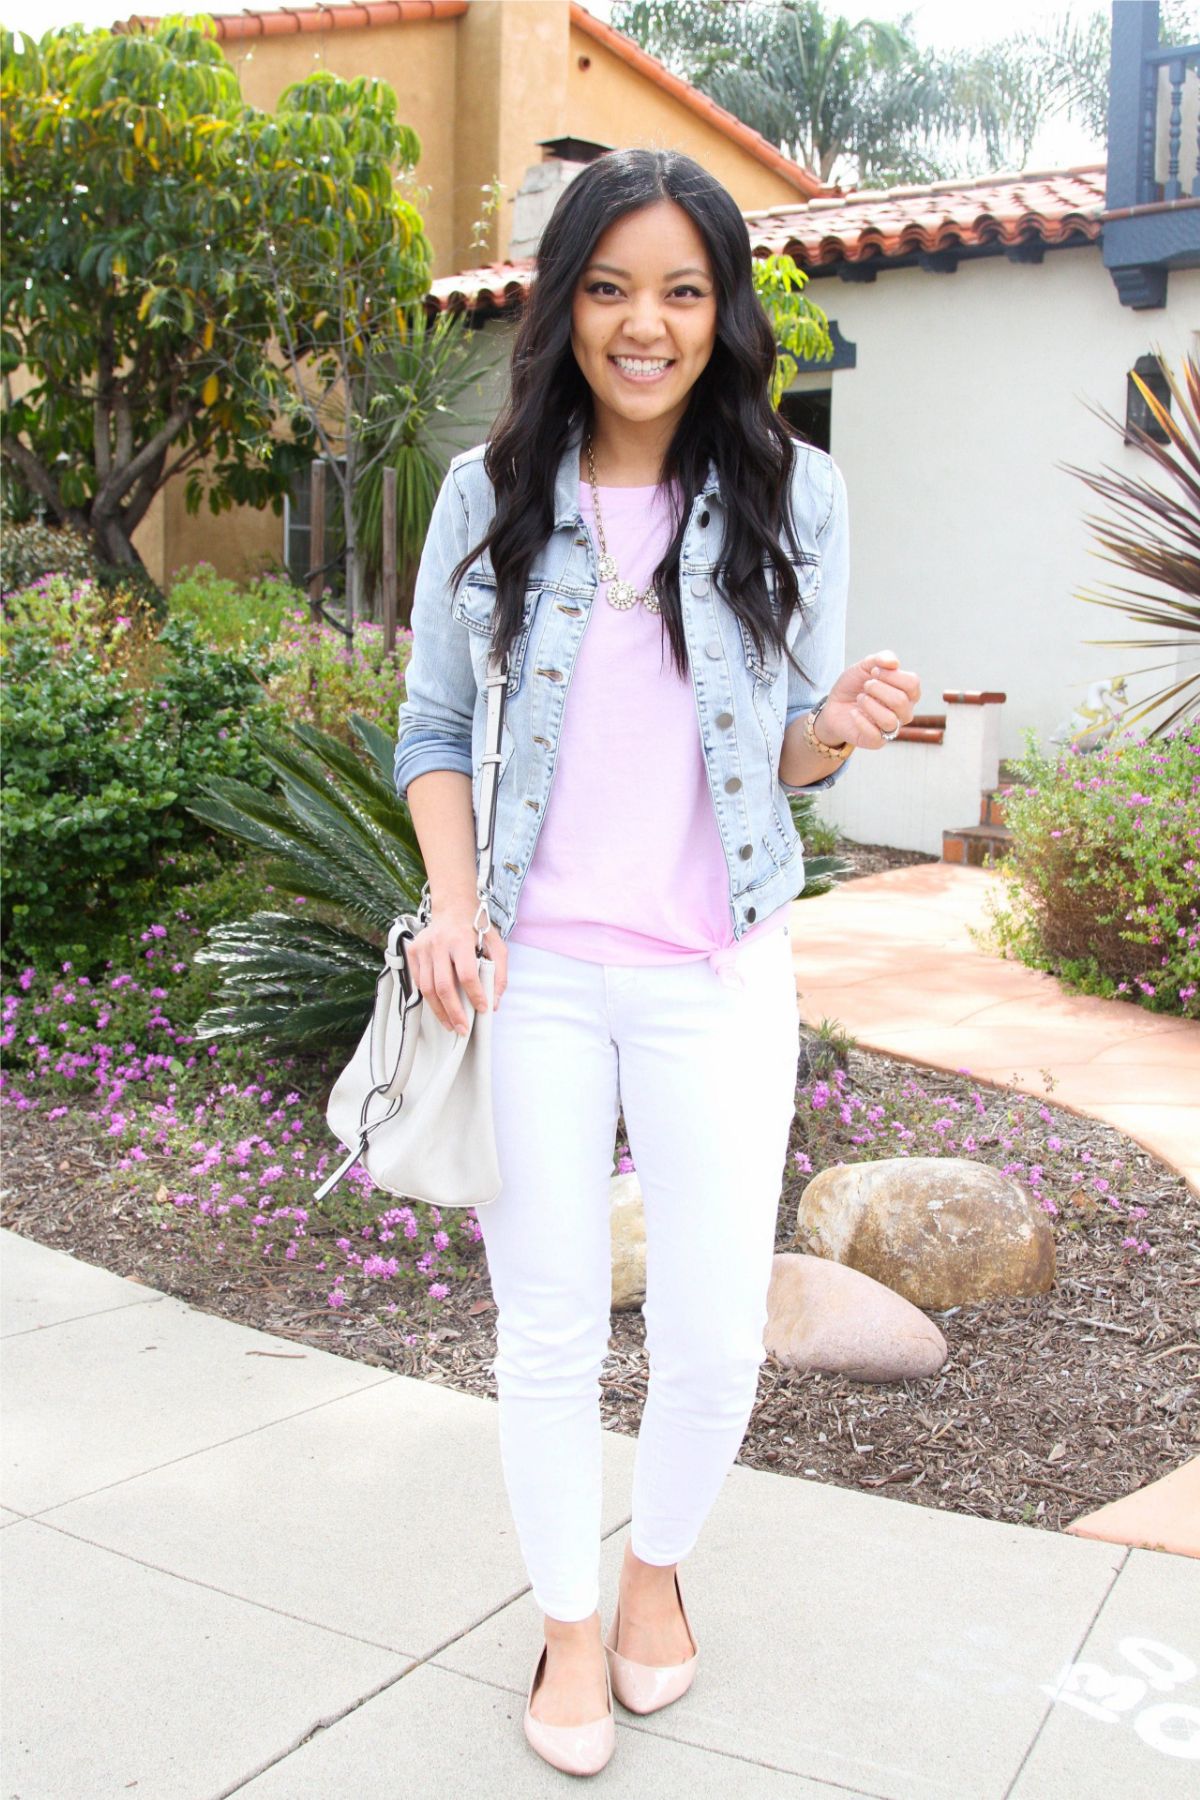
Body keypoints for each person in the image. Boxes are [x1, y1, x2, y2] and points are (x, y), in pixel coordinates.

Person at [394, 147, 920, 1777]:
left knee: (708, 1329)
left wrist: (837, 729)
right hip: (534, 973)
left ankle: (654, 1581)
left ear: (721, 312)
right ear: (566, 307)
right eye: (611, 287)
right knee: (546, 1326)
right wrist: (457, 905)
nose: (647, 323)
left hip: (716, 967)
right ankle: (564, 1620)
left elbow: (788, 755)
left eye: (682, 290)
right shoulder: (490, 493)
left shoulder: (794, 492)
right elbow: (429, 729)